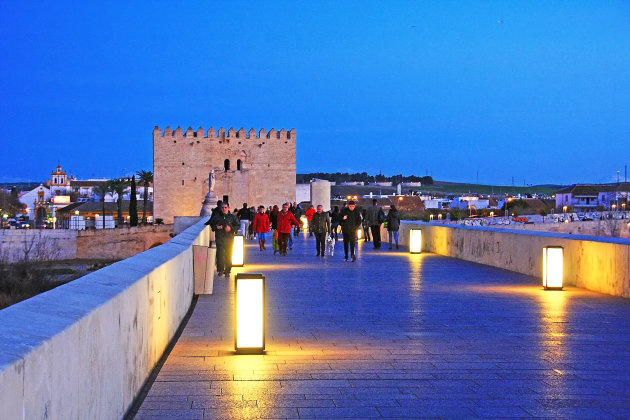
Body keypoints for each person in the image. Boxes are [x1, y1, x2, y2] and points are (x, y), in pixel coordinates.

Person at [208, 202, 240, 277]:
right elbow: (212, 225)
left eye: (225, 207)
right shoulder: (217, 217)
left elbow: (237, 225)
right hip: (220, 239)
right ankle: (220, 270)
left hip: (229, 239)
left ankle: (228, 271)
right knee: (220, 255)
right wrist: (216, 227)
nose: (224, 209)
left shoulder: (232, 217)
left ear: (228, 208)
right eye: (222, 207)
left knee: (228, 255)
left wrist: (231, 229)